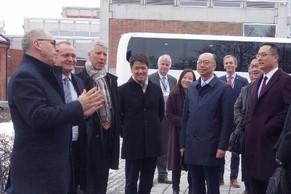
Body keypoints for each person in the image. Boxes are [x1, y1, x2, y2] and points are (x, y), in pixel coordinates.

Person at [6, 29, 103, 193]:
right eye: (53, 44)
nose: (56, 49)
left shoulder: (44, 75)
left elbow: (55, 116)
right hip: (38, 174)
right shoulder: (26, 76)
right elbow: (38, 117)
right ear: (37, 44)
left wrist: (80, 114)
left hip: (53, 171)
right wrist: (78, 106)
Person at [180, 52, 234, 194]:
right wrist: (182, 144)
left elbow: (227, 121)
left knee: (212, 186)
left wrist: (222, 146)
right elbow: (185, 117)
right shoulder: (192, 88)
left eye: (205, 62)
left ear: (214, 66)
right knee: (195, 186)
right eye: (199, 62)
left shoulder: (223, 89)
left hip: (211, 146)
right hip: (192, 145)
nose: (201, 65)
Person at [243, 42, 291, 194]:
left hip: (270, 147)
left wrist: (268, 126)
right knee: (253, 187)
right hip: (252, 148)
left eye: (264, 55)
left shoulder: (285, 80)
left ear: (275, 57)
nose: (259, 59)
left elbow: (288, 110)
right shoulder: (257, 81)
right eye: (258, 55)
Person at [77, 41, 121, 194]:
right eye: (98, 53)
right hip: (87, 141)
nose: (102, 57)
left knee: (101, 184)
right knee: (87, 185)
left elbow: (116, 109)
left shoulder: (110, 80)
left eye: (105, 54)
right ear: (89, 55)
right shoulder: (79, 79)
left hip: (106, 138)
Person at [119, 53, 164, 194]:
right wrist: (126, 132)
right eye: (137, 68)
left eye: (143, 68)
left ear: (148, 68)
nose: (140, 71)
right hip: (133, 144)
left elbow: (160, 113)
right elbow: (118, 116)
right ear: (131, 69)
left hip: (152, 144)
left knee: (147, 181)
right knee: (131, 181)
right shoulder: (122, 90)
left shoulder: (156, 89)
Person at [55, 41, 85, 193]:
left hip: (77, 143)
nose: (71, 59)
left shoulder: (78, 82)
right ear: (55, 56)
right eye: (66, 55)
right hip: (58, 145)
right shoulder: (51, 82)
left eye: (73, 56)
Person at [233, 56, 263, 194]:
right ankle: (248, 188)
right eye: (251, 67)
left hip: (264, 137)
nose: (254, 69)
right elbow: (237, 108)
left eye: (257, 66)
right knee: (247, 166)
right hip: (247, 135)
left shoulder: (268, 88)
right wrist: (243, 123)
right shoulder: (245, 89)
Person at [219, 55, 249, 188]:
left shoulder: (243, 81)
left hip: (237, 121)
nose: (229, 65)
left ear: (236, 65)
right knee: (221, 148)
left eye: (231, 63)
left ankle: (233, 177)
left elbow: (246, 100)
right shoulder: (219, 81)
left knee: (236, 151)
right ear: (224, 66)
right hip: (222, 121)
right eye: (226, 63)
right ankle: (219, 176)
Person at [166, 68, 196, 194]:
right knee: (176, 164)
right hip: (177, 133)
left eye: (190, 78)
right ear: (180, 79)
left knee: (192, 163)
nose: (187, 80)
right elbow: (169, 114)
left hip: (192, 134)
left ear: (194, 80)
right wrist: (184, 122)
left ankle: (192, 188)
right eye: (184, 77)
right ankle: (175, 188)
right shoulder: (174, 94)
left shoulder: (196, 93)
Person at [149, 54, 177, 184]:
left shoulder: (173, 80)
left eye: (167, 65)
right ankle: (148, 173)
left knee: (164, 146)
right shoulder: (150, 79)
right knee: (151, 144)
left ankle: (162, 174)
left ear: (170, 66)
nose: (164, 67)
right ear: (158, 65)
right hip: (153, 117)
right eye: (162, 64)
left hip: (167, 118)